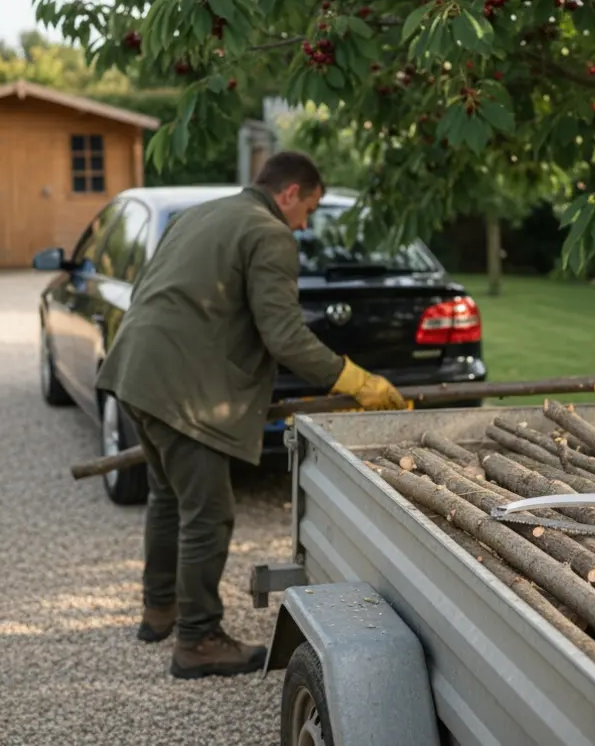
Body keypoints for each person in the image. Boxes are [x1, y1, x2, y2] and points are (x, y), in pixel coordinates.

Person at [95, 152, 407, 680]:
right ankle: (197, 640)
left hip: (133, 373)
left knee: (167, 496)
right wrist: (357, 381)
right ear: (289, 193)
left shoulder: (200, 214)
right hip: (183, 393)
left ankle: (160, 609)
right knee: (208, 514)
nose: (305, 223)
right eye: (307, 207)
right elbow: (284, 336)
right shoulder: (269, 232)